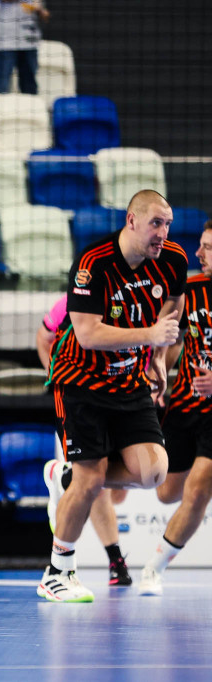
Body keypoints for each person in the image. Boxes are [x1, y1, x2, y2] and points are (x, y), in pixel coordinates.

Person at [38, 190, 187, 603]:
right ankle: (57, 572)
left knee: (154, 471)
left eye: (169, 223)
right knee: (91, 479)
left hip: (131, 383)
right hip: (80, 381)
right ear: (131, 220)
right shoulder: (93, 264)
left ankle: (64, 477)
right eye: (156, 223)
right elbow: (86, 334)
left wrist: (158, 359)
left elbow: (175, 303)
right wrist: (149, 335)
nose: (164, 233)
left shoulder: (172, 259)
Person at [138, 220, 212, 595]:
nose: (199, 253)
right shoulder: (191, 289)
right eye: (200, 245)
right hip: (184, 404)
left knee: (200, 488)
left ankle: (154, 568)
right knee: (166, 492)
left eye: (208, 247)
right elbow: (168, 336)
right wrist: (159, 374)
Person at [36, 295, 132, 586]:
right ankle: (114, 559)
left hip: (125, 399)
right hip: (80, 401)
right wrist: (56, 376)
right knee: (95, 481)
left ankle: (64, 477)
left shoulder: (139, 298)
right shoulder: (70, 301)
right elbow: (43, 338)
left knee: (118, 487)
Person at [0, 0, 49, 94]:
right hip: (5, 43)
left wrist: (39, 10)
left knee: (29, 85)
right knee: (1, 86)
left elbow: (45, 16)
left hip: (29, 44)